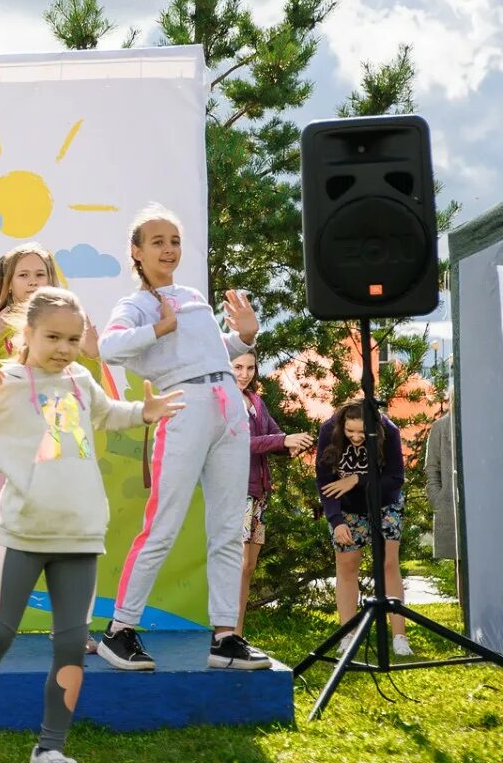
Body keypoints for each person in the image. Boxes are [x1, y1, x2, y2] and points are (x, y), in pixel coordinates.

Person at [0, 289, 183, 763]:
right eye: (52, 337)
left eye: (72, 337)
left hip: (81, 538)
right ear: (28, 334)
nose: (64, 347)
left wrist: (144, 412)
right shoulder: (2, 383)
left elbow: (108, 415)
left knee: (69, 647)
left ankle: (49, 752)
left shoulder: (81, 380)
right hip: (21, 537)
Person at [96, 205, 271, 673]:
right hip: (183, 407)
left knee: (227, 528)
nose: (168, 249)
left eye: (173, 240)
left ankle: (226, 638)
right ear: (136, 252)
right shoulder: (134, 305)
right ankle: (119, 632)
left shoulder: (191, 293)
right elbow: (107, 348)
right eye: (156, 242)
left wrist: (245, 338)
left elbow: (216, 350)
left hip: (229, 407)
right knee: (163, 524)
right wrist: (158, 326)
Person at [0, 243, 105, 654]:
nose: (34, 282)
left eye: (41, 274)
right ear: (9, 283)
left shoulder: (73, 321)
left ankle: (71, 626)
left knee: (67, 527)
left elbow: (91, 390)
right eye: (25, 275)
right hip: (15, 440)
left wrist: (92, 352)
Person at [317, 399, 412, 654]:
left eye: (362, 432)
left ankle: (399, 637)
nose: (356, 437)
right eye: (350, 432)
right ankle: (347, 635)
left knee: (388, 563)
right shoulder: (328, 431)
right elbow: (325, 482)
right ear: (342, 426)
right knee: (347, 565)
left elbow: (395, 479)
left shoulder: (388, 430)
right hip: (346, 506)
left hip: (384, 502)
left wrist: (356, 479)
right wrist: (336, 521)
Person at [231, 351, 311, 635]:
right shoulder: (223, 401)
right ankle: (227, 633)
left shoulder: (256, 401)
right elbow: (239, 443)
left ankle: (237, 633)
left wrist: (290, 445)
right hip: (235, 491)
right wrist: (282, 439)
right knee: (237, 566)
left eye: (250, 367)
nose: (245, 373)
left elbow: (274, 436)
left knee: (249, 566)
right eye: (238, 367)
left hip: (259, 492)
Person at [425, 408, 456, 562]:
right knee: (461, 568)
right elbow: (432, 467)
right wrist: (438, 500)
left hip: (485, 510)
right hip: (451, 508)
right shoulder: (441, 426)